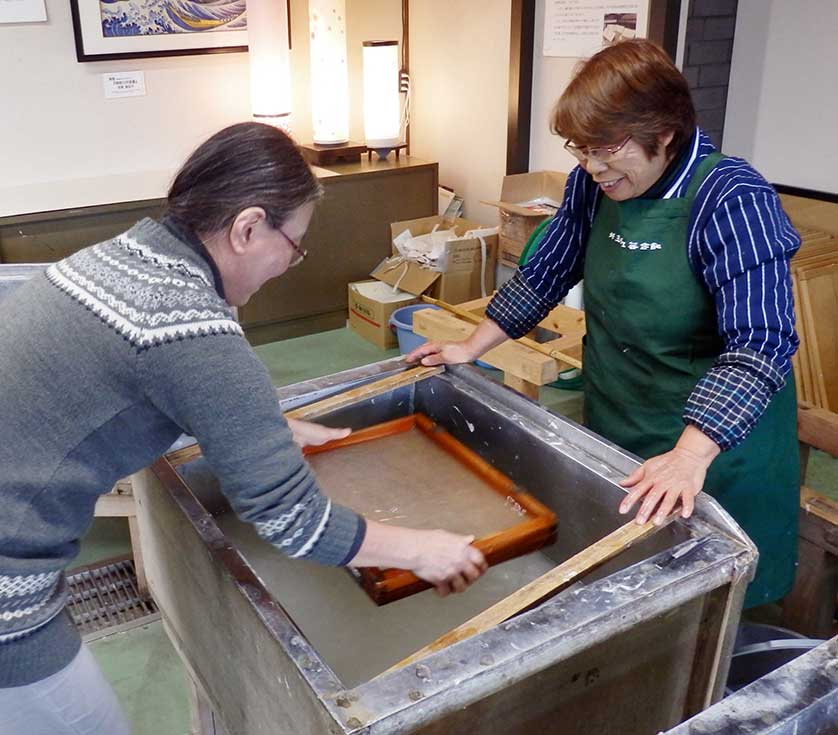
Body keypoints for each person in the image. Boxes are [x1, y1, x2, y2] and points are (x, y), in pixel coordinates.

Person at [0, 122, 487, 735]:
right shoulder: (191, 325)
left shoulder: (125, 256)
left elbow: (129, 386)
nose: (291, 262)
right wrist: (423, 548)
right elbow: (293, 519)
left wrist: (264, 428)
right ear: (248, 226)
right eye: (296, 243)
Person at [410, 39, 800, 611]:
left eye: (608, 147)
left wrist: (690, 456)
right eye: (581, 149)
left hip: (716, 444)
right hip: (623, 415)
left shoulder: (731, 198)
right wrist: (473, 345)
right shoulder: (593, 187)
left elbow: (760, 344)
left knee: (711, 603)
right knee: (629, 584)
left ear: (663, 132)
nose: (592, 165)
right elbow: (542, 275)